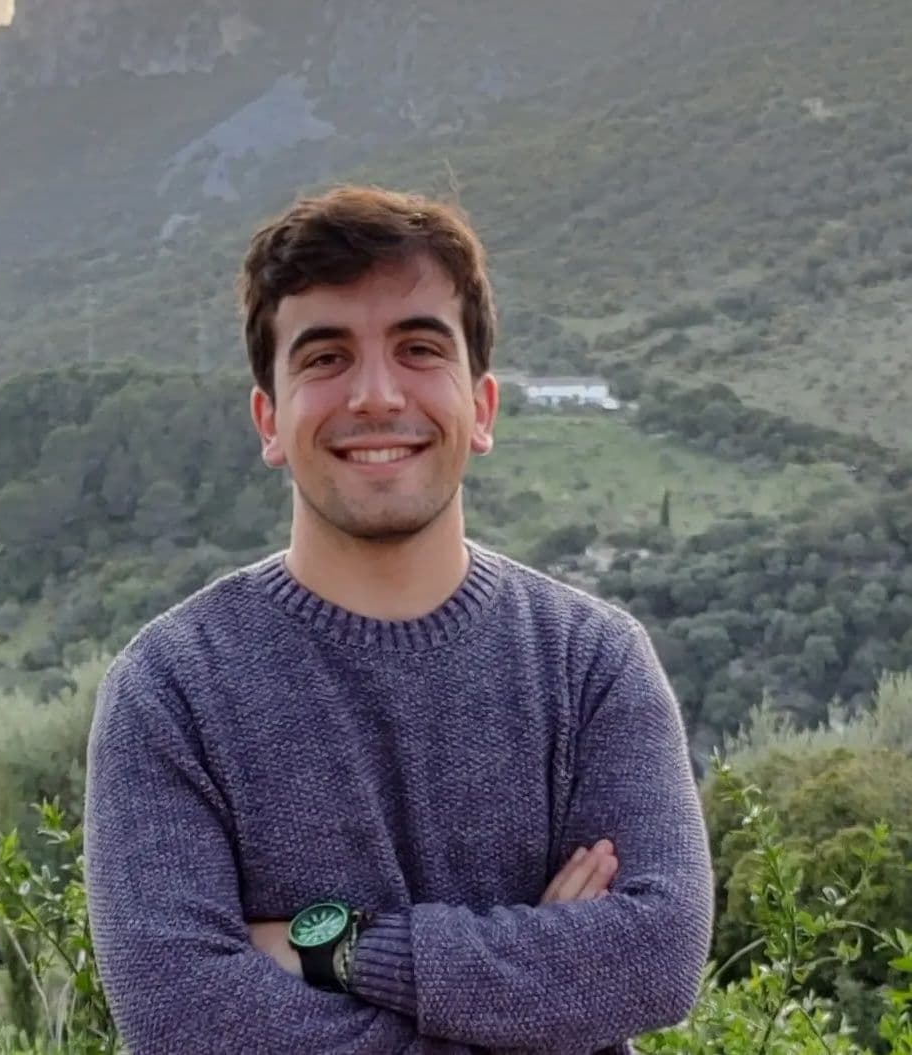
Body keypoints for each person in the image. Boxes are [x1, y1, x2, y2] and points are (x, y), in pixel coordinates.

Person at [84, 185, 714, 1054]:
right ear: (269, 419)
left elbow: (653, 958)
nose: (376, 395)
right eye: (324, 357)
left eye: (419, 348)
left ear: (481, 408)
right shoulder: (171, 689)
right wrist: (530, 1003)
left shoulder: (591, 662)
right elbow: (182, 1015)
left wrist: (328, 948)